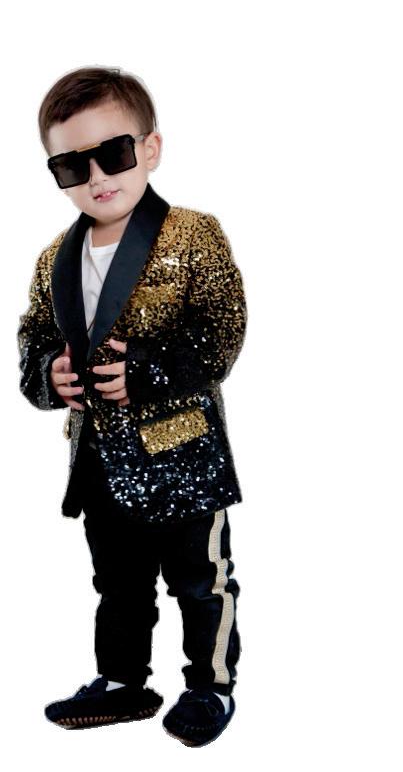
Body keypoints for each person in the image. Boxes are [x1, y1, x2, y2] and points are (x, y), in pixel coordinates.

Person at [17, 65, 247, 747]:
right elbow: (33, 336)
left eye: (113, 153)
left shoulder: (193, 234)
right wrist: (48, 374)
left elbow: (221, 333)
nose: (96, 177)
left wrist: (144, 372)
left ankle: (210, 686)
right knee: (116, 582)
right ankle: (122, 681)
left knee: (200, 580)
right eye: (71, 165)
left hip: (181, 453)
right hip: (97, 455)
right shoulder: (52, 258)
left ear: (149, 148)